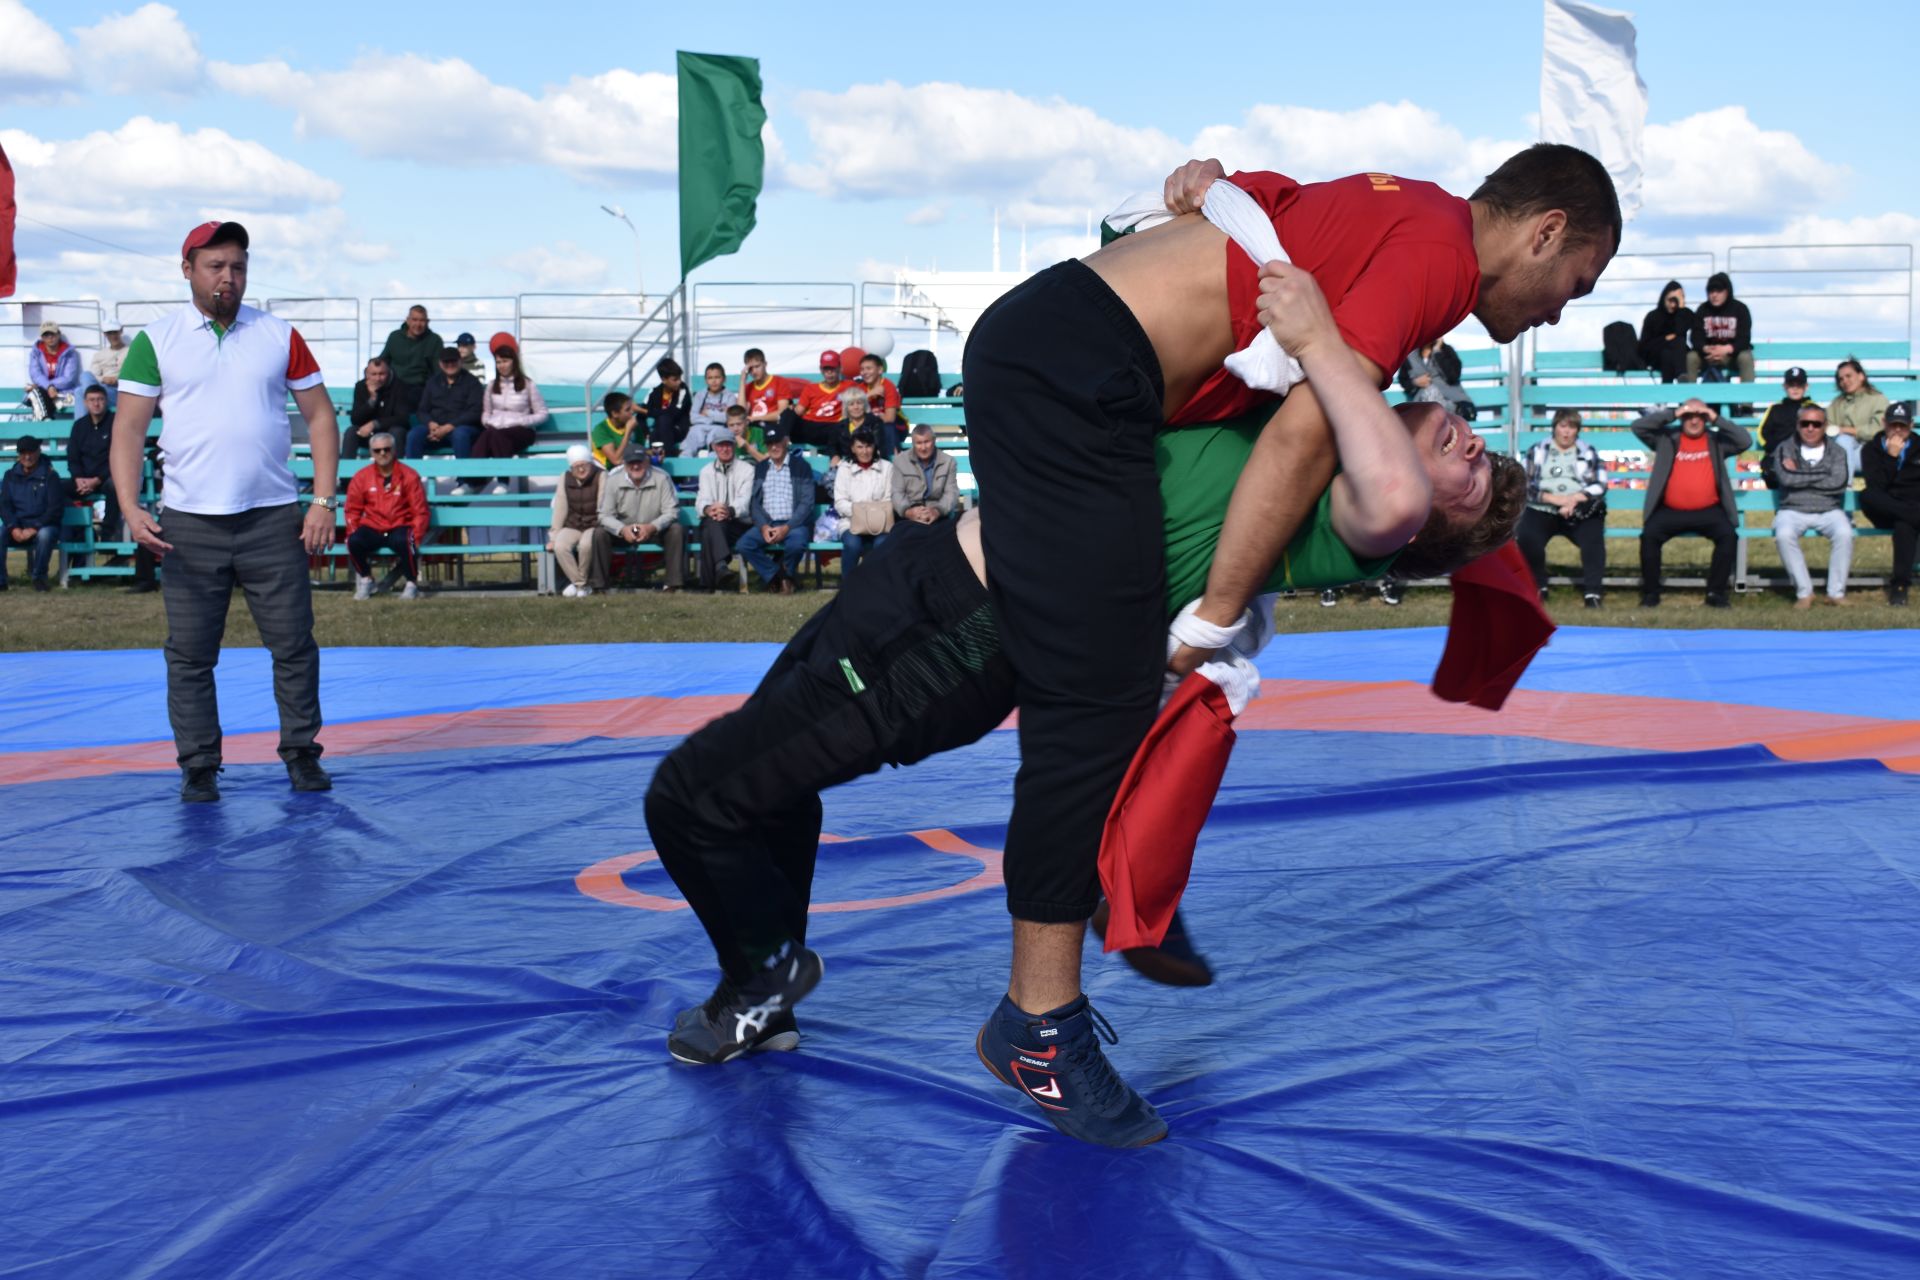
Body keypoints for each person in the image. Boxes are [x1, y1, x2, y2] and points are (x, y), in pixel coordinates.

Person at [646, 271, 1526, 1145]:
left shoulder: (1355, 517)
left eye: (1474, 483)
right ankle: (762, 991)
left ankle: (759, 984)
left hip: (951, 638)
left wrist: (1333, 338)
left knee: (693, 800)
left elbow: (1387, 477)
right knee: (770, 788)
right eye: (1481, 450)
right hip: (922, 579)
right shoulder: (1299, 420)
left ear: (1419, 533)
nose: (1476, 451)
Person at [955, 143, 1615, 1146]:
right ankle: (1045, 1006)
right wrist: (1216, 616)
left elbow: (1269, 221)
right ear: (1545, 231)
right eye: (1576, 283)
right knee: (1088, 710)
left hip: (1067, 356)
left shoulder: (1407, 218)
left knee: (1107, 702)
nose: (1565, 310)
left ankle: (1108, 892)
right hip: (1067, 364)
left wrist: (1207, 192)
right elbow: (1314, 430)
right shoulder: (1438, 257)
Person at [109, 220, 340, 803]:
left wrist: (321, 500)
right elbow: (129, 430)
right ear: (187, 269)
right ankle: (199, 765)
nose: (228, 277)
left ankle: (301, 754)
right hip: (188, 522)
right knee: (189, 654)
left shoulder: (278, 333)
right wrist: (131, 508)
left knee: (293, 644)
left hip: (271, 516)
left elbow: (320, 417)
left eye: (237, 266)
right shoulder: (155, 340)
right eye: (215, 266)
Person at [1631, 397, 1750, 608]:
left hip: (1709, 510)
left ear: (1706, 419)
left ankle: (1716, 593)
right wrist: (1674, 413)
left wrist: (1715, 418)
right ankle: (1651, 593)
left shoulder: (1715, 440)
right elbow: (1638, 427)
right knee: (1649, 536)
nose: (1694, 422)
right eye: (1688, 417)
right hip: (1670, 510)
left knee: (1728, 537)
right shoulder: (1667, 438)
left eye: (1700, 417)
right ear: (1681, 418)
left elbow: (1744, 441)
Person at [1517, 409, 1608, 606]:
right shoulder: (1538, 450)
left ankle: (1593, 593)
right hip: (1542, 508)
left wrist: (1574, 499)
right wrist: (1554, 499)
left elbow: (1600, 484)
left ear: (1577, 430)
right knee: (1527, 537)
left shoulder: (1588, 451)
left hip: (1577, 509)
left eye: (1572, 427)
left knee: (1593, 540)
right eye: (1563, 426)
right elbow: (1524, 484)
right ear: (1555, 427)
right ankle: (1538, 587)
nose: (1567, 432)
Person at [1769, 402, 1853, 608]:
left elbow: (1839, 483)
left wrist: (1799, 473)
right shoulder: (1784, 448)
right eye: (1805, 423)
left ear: (1824, 426)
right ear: (1797, 425)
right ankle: (1804, 592)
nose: (1810, 428)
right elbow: (1785, 479)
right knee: (1783, 535)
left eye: (1816, 424)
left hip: (1829, 510)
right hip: (1792, 509)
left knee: (1844, 533)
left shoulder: (1838, 451)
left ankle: (1836, 593)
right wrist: (1822, 474)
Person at [344, 432, 429, 601]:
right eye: (377, 450)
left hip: (400, 525)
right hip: (373, 526)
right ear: (371, 453)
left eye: (386, 449)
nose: (382, 453)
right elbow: (352, 509)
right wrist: (353, 530)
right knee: (352, 541)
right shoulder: (362, 477)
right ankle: (367, 579)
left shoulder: (409, 475)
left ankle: (412, 583)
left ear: (394, 450)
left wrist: (416, 535)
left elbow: (420, 511)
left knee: (409, 542)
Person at [735, 427, 814, 594]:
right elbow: (755, 503)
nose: (774, 448)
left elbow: (807, 503)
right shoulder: (761, 467)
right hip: (768, 524)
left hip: (793, 524)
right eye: (770, 444)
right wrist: (763, 527)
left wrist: (787, 527)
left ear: (785, 442)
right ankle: (779, 576)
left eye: (777, 443)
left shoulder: (801, 466)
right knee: (744, 545)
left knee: (797, 544)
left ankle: (784, 576)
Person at [598, 448, 685, 592]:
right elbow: (604, 515)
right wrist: (621, 529)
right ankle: (599, 586)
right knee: (599, 534)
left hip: (654, 529)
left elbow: (672, 511)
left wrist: (652, 527)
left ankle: (672, 584)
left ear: (647, 462)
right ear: (625, 464)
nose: (636, 466)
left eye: (639, 461)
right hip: (625, 530)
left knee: (676, 530)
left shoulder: (662, 478)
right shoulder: (613, 480)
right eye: (631, 462)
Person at [1859, 401, 1919, 606]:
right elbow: (1877, 485)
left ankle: (1900, 586)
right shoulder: (1871, 449)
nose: (1898, 430)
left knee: (1904, 525)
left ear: (1911, 425)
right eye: (1893, 425)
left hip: (1910, 508)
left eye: (1902, 425)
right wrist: (1891, 457)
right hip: (1885, 508)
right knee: (1867, 495)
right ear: (1884, 424)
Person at [470, 335, 548, 490]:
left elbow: (543, 413)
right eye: (498, 362)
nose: (501, 366)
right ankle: (472, 481)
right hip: (498, 429)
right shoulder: (492, 386)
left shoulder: (527, 384)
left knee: (496, 436)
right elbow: (486, 412)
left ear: (514, 362)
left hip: (522, 430)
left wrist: (524, 421)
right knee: (488, 435)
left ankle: (501, 481)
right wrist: (487, 421)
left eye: (505, 361)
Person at [0, 435, 64, 592]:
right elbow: (4, 506)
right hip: (18, 526)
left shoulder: (51, 476)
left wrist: (34, 528)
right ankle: (1, 581)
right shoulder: (10, 476)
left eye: (31, 452)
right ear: (18, 454)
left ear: (39, 452)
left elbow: (55, 509)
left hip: (43, 526)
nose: (27, 456)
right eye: (23, 453)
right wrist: (13, 527)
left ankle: (39, 578)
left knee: (45, 535)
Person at [694, 432, 754, 591]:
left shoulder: (747, 469)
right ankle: (720, 568)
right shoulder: (706, 471)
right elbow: (702, 499)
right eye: (720, 445)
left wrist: (729, 511)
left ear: (734, 446)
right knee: (712, 524)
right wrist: (708, 509)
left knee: (710, 529)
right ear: (714, 447)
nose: (725, 449)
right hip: (716, 520)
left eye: (728, 444)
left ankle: (708, 583)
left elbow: (745, 499)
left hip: (739, 524)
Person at [408, 346, 484, 468]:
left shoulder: (472, 382)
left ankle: (465, 481)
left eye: (453, 361)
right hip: (435, 428)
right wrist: (430, 424)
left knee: (460, 435)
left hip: (461, 428)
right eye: (446, 362)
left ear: (461, 361)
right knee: (414, 434)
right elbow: (422, 410)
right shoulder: (432, 382)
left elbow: (475, 411)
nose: (450, 364)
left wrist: (450, 426)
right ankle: (411, 481)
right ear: (440, 364)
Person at [832, 425, 894, 575]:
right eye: (860, 447)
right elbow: (840, 502)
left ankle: (878, 586)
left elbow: (888, 499)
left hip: (881, 524)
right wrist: (862, 513)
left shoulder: (887, 467)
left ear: (874, 447)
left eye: (868, 446)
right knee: (852, 544)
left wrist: (869, 513)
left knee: (882, 544)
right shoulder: (844, 469)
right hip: (851, 523)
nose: (865, 451)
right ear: (853, 448)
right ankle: (848, 587)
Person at [549, 444, 607, 598]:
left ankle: (578, 586)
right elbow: (560, 507)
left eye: (584, 465)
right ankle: (581, 584)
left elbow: (603, 505)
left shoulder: (601, 476)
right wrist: (554, 536)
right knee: (560, 546)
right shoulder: (564, 477)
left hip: (594, 523)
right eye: (576, 467)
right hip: (573, 524)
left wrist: (598, 524)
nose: (581, 470)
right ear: (571, 468)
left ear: (590, 463)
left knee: (586, 545)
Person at [65, 386, 120, 542]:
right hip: (82, 480)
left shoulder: (116, 423)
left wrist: (97, 480)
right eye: (92, 400)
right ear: (85, 403)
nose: (96, 404)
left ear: (106, 401)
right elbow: (73, 456)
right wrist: (78, 478)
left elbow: (117, 457)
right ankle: (78, 530)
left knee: (115, 486)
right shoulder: (79, 426)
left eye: (100, 399)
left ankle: (107, 534)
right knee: (55, 488)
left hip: (105, 478)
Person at [1686, 272, 1754, 384]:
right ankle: (1690, 399)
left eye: (1719, 291)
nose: (1714, 295)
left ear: (1727, 291)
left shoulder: (1740, 309)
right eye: (1711, 291)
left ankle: (1746, 401)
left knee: (1746, 357)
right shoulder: (1703, 310)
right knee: (1691, 357)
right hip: (1707, 355)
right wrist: (1706, 349)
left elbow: (1744, 339)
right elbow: (1695, 337)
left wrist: (1726, 349)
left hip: (1732, 356)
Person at [343, 357, 411, 460]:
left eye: (381, 374)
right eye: (374, 374)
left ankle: (397, 473)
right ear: (367, 374)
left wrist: (374, 424)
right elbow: (355, 419)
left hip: (390, 433)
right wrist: (372, 399)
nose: (378, 378)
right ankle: (346, 474)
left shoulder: (400, 387)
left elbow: (402, 418)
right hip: (367, 434)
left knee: (398, 431)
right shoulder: (361, 387)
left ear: (388, 372)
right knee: (351, 432)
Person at [1827, 357, 1887, 475]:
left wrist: (1846, 430)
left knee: (1843, 441)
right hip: (1843, 453)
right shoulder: (1836, 403)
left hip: (1870, 451)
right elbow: (1828, 426)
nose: (1845, 381)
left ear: (1861, 376)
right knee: (1842, 443)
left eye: (1849, 376)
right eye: (1841, 379)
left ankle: (1843, 487)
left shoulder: (1878, 399)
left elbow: (1877, 430)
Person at [378, 306, 443, 412]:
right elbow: (383, 361)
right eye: (414, 320)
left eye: (422, 320)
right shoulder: (395, 337)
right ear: (407, 321)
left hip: (421, 389)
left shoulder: (435, 340)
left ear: (427, 322)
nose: (418, 324)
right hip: (395, 388)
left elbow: (438, 371)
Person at [892, 424, 958, 524]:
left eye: (927, 442)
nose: (923, 448)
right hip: (910, 515)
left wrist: (936, 511)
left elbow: (951, 493)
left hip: (939, 515)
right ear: (913, 443)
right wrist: (909, 512)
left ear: (934, 440)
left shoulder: (948, 462)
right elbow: (897, 493)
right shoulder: (900, 461)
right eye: (918, 443)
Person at [1397, 338, 1475, 420]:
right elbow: (1403, 381)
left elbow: (1453, 376)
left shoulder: (1446, 351)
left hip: (1452, 403)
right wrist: (1415, 382)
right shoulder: (1410, 355)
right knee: (1429, 393)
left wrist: (1437, 352)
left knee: (1431, 393)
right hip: (1422, 404)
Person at [1757, 367, 1815, 468]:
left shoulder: (1814, 409)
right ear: (1784, 386)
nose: (1795, 388)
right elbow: (1762, 433)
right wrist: (1774, 447)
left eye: (1799, 385)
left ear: (1806, 386)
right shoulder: (1775, 409)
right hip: (1778, 455)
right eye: (1791, 385)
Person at [793, 350, 850, 451]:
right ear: (821, 369)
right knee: (787, 415)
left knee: (842, 429)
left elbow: (863, 396)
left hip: (833, 428)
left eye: (832, 368)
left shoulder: (848, 386)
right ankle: (778, 444)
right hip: (811, 427)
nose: (829, 372)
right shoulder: (811, 388)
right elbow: (798, 411)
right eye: (826, 368)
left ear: (840, 368)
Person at [1637, 281, 1692, 384]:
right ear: (1664, 298)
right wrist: (1665, 339)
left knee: (1673, 347)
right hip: (1655, 356)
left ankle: (1665, 394)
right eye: (1670, 300)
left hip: (1677, 357)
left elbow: (1681, 330)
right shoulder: (1653, 316)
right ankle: (1681, 377)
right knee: (1669, 350)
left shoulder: (1684, 314)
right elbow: (1644, 346)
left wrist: (1681, 308)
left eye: (1676, 301)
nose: (1673, 304)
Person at [27, 319, 82, 416]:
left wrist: (48, 386)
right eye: (46, 335)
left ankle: (45, 424)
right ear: (42, 337)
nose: (50, 337)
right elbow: (35, 374)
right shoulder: (36, 352)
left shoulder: (69, 352)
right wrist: (48, 387)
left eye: (53, 334)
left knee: (37, 396)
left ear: (59, 334)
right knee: (36, 396)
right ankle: (46, 422)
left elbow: (69, 378)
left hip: (64, 392)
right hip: (44, 391)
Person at [644, 357, 692, 456]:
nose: (679, 382)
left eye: (679, 378)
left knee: (664, 419)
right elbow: (642, 412)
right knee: (654, 434)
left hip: (679, 429)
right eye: (675, 379)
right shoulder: (655, 392)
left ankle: (668, 454)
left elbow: (674, 412)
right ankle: (656, 460)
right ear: (664, 380)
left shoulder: (683, 389)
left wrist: (649, 412)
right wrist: (646, 432)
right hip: (661, 429)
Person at [857, 353, 903, 455]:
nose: (865, 372)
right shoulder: (861, 388)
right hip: (872, 426)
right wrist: (868, 395)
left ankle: (892, 461)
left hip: (896, 427)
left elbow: (889, 418)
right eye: (862, 369)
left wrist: (869, 415)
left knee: (886, 427)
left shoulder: (888, 386)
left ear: (880, 370)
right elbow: (854, 414)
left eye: (869, 368)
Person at [739, 347, 796, 429]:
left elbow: (783, 414)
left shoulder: (780, 382)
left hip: (773, 427)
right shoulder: (748, 387)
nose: (754, 371)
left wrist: (756, 418)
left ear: (765, 364)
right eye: (750, 369)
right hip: (753, 428)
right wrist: (742, 381)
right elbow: (741, 414)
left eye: (757, 366)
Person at [686, 362, 736, 454]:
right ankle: (685, 458)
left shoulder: (730, 396)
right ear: (705, 380)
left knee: (716, 440)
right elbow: (693, 418)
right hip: (700, 427)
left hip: (720, 427)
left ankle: (713, 459)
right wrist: (715, 418)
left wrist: (708, 413)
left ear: (724, 379)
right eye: (710, 378)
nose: (713, 381)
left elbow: (729, 418)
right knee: (692, 436)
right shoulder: (700, 395)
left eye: (717, 377)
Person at [592, 392, 640, 470]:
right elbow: (616, 461)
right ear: (615, 414)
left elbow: (640, 450)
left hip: (630, 468)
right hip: (608, 472)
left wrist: (653, 454)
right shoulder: (601, 430)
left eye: (632, 408)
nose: (632, 412)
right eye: (628, 410)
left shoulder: (633, 425)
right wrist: (628, 432)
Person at [90, 324, 128, 408]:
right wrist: (103, 379)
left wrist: (117, 379)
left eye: (115, 332)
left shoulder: (131, 352)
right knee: (85, 376)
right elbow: (93, 375)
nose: (113, 336)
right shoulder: (99, 354)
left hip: (120, 389)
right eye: (109, 333)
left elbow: (134, 374)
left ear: (121, 331)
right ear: (105, 334)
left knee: (81, 392)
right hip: (102, 386)